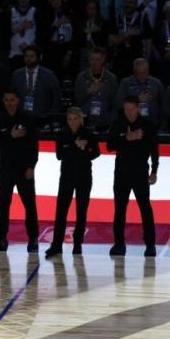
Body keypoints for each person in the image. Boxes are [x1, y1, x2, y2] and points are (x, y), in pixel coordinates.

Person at [107, 95, 159, 257]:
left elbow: (154, 150)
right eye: (126, 110)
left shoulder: (147, 125)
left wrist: (154, 171)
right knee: (120, 209)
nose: (129, 113)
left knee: (145, 208)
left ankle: (150, 245)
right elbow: (110, 145)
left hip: (140, 173)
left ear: (138, 108)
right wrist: (126, 138)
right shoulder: (118, 123)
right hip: (122, 173)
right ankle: (119, 244)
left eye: (132, 109)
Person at [0, 88, 39, 253]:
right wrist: (10, 135)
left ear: (18, 100)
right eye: (6, 100)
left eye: (12, 100)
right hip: (5, 169)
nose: (9, 103)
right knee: (4, 205)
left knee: (30, 205)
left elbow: (34, 145)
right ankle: (1, 238)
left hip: (24, 170)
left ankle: (33, 239)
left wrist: (32, 166)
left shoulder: (28, 119)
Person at [45, 107, 100, 258]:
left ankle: (77, 244)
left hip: (83, 177)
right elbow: (59, 155)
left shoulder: (88, 134)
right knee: (61, 211)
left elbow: (96, 153)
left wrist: (86, 148)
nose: (72, 122)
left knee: (81, 211)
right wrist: (76, 147)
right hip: (67, 177)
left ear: (81, 119)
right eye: (70, 119)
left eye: (75, 119)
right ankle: (56, 245)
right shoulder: (62, 135)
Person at [10, 45, 61, 122]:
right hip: (22, 116)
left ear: (38, 57)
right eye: (26, 56)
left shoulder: (48, 75)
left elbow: (57, 96)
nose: (28, 59)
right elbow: (12, 95)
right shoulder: (17, 74)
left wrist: (51, 114)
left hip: (43, 116)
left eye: (31, 56)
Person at [74, 47, 118, 130]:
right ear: (88, 60)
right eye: (92, 59)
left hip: (105, 123)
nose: (95, 62)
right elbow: (77, 101)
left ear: (103, 60)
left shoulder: (111, 78)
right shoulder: (81, 77)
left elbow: (115, 104)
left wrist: (112, 122)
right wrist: (88, 92)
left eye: (98, 59)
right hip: (85, 123)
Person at [114, 58, 164, 128]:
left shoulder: (156, 83)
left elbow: (163, 106)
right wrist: (137, 100)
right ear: (134, 71)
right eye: (140, 73)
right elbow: (118, 103)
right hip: (131, 124)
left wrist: (162, 126)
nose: (143, 75)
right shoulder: (125, 83)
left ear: (148, 70)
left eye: (145, 72)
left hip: (152, 124)